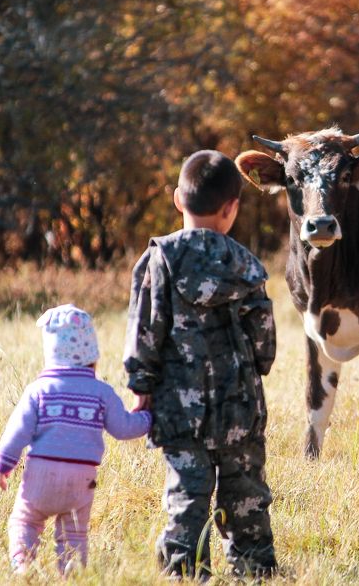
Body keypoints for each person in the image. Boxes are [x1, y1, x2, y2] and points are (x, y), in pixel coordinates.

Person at [124, 149, 277, 579]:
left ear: (178, 200)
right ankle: (253, 569)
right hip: (239, 408)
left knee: (187, 496)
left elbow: (145, 329)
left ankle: (183, 569)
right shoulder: (247, 265)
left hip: (178, 409)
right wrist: (254, 368)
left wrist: (141, 384)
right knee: (245, 495)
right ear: (232, 208)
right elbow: (264, 342)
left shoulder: (159, 259)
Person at [0, 303, 151, 575]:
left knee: (25, 522)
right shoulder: (101, 392)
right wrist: (149, 418)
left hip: (41, 474)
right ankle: (72, 575)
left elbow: (16, 431)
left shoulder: (38, 391)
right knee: (74, 537)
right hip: (82, 478)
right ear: (92, 352)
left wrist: (3, 463)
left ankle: (22, 569)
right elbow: (124, 428)